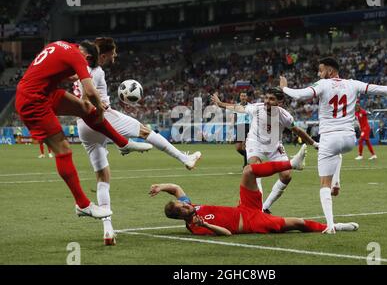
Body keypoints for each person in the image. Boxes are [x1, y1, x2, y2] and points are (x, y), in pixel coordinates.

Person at [73, 37, 202, 245]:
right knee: (144, 131)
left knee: (102, 177)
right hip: (101, 118)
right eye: (113, 53)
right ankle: (183, 158)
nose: (115, 56)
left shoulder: (79, 70)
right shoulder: (97, 72)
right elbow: (87, 97)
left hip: (83, 127)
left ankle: (108, 230)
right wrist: (100, 106)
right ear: (104, 54)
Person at [280, 57, 387, 234]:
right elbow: (380, 89)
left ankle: (330, 225)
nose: (319, 73)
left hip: (329, 137)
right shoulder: (353, 84)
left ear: (330, 71)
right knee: (338, 153)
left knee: (323, 184)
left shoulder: (323, 84)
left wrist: (284, 88)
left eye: (321, 70)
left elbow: (301, 94)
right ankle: (337, 182)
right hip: (349, 139)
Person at [15, 40, 152, 219]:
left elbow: (53, 69)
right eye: (87, 65)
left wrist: (91, 105)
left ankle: (123, 143)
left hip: (41, 92)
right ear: (87, 57)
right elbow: (91, 91)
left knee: (85, 109)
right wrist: (101, 111)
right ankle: (83, 205)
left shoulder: (62, 45)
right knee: (63, 149)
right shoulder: (78, 57)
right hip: (33, 101)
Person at [151, 144, 358, 235]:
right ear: (181, 215)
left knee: (249, 171)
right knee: (298, 223)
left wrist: (161, 187)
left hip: (244, 207)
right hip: (250, 222)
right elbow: (226, 233)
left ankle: (292, 164)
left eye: (182, 202)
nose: (186, 204)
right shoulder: (195, 226)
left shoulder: (191, 207)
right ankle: (333, 226)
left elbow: (176, 188)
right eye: (182, 206)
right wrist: (206, 224)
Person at [212, 89, 319, 214]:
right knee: (255, 170)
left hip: (274, 146)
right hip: (255, 143)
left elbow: (298, 131)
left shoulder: (285, 116)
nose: (267, 101)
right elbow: (238, 108)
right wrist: (221, 104)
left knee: (286, 176)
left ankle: (264, 207)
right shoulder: (256, 108)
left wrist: (314, 143)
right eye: (266, 98)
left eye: (271, 99)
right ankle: (258, 210)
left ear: (280, 102)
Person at [233, 91, 251, 168]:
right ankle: (250, 157)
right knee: (238, 148)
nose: (243, 97)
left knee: (244, 145)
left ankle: (246, 165)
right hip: (240, 126)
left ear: (246, 97)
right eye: (242, 96)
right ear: (240, 97)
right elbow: (234, 116)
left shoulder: (251, 106)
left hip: (248, 126)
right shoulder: (236, 106)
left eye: (244, 96)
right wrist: (233, 124)